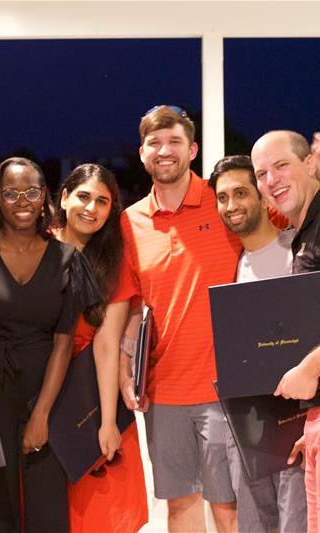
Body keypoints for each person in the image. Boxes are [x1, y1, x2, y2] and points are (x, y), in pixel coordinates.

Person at [0, 157, 101, 532]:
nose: (23, 200)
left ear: (44, 195)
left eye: (32, 191)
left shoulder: (67, 259)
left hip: (46, 396)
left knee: (47, 512)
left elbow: (64, 341)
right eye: (11, 193)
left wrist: (42, 415)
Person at [118, 105, 240, 532]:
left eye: (174, 142)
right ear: (141, 153)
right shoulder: (129, 221)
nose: (164, 151)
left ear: (193, 149)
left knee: (229, 508)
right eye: (155, 143)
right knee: (180, 506)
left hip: (227, 386)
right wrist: (123, 368)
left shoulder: (225, 201)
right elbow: (133, 308)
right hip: (164, 389)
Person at [208, 154, 307, 533]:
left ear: (262, 194)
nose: (231, 205)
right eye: (222, 197)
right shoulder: (233, 264)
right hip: (248, 424)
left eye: (241, 193)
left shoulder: (297, 251)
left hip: (295, 420)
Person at [54, 163, 148, 533]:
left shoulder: (111, 262)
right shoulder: (37, 249)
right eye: (83, 196)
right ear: (63, 198)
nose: (91, 208)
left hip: (93, 396)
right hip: (43, 397)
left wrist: (107, 422)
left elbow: (107, 344)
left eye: (102, 201)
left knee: (102, 514)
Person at [250, 130, 320, 532]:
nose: (272, 180)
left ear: (309, 163)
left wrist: (309, 370)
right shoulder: (303, 232)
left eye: (281, 166)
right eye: (262, 174)